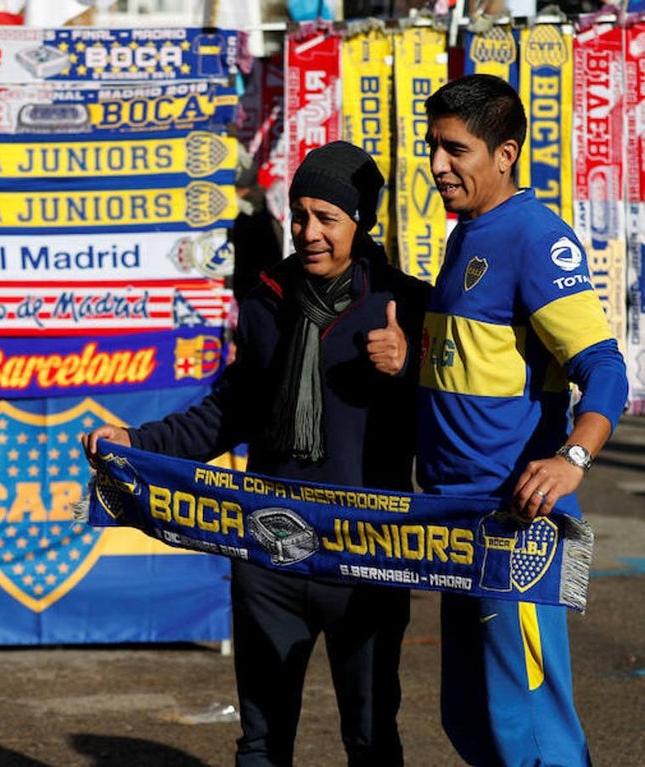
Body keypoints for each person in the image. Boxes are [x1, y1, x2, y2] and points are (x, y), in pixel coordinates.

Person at [82, 141, 432, 767]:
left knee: (371, 736)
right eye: (301, 215)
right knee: (262, 742)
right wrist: (138, 442)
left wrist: (412, 370)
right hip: (269, 550)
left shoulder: (405, 302)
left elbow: (454, 421)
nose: (310, 232)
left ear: (362, 222)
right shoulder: (265, 301)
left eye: (329, 217)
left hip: (368, 552)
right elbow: (230, 413)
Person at [419, 74, 628, 766]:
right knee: (470, 716)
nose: (439, 165)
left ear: (504, 153)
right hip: (455, 518)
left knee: (530, 727)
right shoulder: (468, 233)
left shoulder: (537, 237)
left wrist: (571, 458)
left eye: (456, 150)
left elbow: (605, 369)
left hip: (514, 526)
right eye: (433, 147)